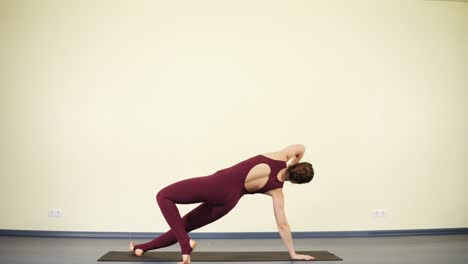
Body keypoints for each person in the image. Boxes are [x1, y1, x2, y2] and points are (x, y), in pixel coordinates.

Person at [129, 144, 315, 264]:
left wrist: (294, 161)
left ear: (295, 165)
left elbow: (301, 147)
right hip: (228, 202)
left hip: (216, 185)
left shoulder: (281, 155)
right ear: (297, 182)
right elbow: (282, 224)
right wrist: (293, 253)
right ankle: (142, 248)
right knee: (183, 226)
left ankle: (186, 246)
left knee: (163, 196)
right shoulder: (277, 191)